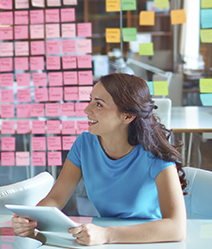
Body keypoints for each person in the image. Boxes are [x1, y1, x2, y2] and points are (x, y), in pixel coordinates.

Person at [12, 73, 187, 245]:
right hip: (104, 239)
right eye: (90, 101)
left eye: (99, 105)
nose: (87, 110)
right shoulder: (84, 144)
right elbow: (55, 199)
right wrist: (32, 220)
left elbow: (176, 228)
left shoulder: (155, 156)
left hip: (151, 241)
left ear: (127, 116)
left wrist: (107, 235)